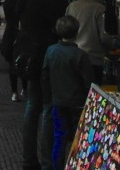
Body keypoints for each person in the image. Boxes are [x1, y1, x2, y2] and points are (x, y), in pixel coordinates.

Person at [18, 0, 69, 170]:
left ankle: (29, 158)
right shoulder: (44, 1)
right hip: (44, 56)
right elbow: (55, 26)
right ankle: (46, 161)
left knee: (32, 107)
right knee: (47, 107)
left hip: (28, 55)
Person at [41, 16, 93, 170]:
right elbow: (89, 81)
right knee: (78, 137)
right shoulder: (80, 55)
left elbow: (44, 75)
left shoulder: (51, 51)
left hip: (58, 101)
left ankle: (56, 166)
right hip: (77, 104)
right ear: (76, 32)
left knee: (59, 137)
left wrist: (48, 97)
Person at [66, 0, 108, 80]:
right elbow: (105, 37)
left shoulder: (72, 6)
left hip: (72, 58)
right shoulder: (100, 9)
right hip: (93, 60)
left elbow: (66, 31)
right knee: (91, 93)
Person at [1, 0, 29, 101]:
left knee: (12, 64)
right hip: (22, 34)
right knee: (24, 60)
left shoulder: (9, 2)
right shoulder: (26, 1)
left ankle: (14, 92)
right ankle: (24, 88)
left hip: (10, 33)